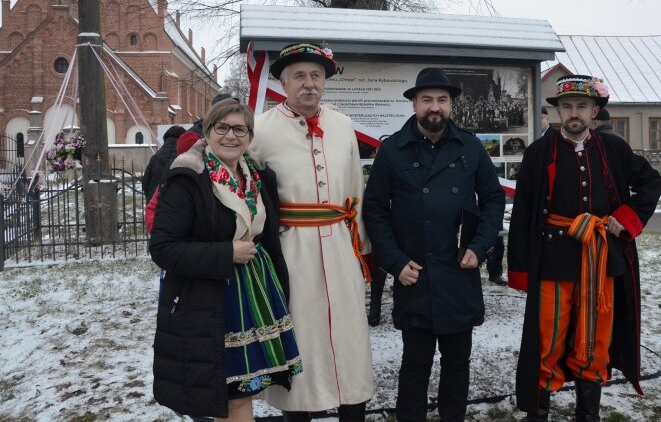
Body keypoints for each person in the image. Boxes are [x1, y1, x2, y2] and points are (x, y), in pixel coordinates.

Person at [507, 75, 661, 421]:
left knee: (595, 339)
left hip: (601, 259)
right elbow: (523, 213)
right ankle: (540, 409)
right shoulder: (537, 153)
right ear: (559, 111)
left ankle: (588, 412)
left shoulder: (614, 149)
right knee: (548, 336)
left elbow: (651, 182)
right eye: (567, 107)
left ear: (594, 111)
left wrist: (627, 217)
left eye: (581, 106)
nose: (574, 113)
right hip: (553, 260)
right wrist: (519, 269)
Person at [363, 68, 505, 422]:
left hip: (460, 271)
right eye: (427, 99)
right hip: (415, 275)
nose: (435, 107)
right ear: (414, 103)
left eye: (442, 100)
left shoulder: (471, 147)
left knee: (458, 362)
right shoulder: (392, 150)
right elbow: (375, 211)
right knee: (415, 364)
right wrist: (395, 262)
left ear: (452, 105)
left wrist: (481, 245)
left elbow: (492, 199)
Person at [149, 99, 301, 421]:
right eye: (222, 128)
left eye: (240, 129)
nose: (231, 136)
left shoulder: (256, 176)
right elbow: (163, 248)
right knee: (230, 395)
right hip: (212, 301)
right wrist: (226, 252)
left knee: (240, 393)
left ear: (249, 135)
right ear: (208, 131)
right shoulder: (188, 177)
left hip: (257, 294)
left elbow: (267, 236)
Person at [249, 42, 373, 420]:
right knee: (301, 336)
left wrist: (362, 248)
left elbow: (356, 190)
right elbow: (248, 189)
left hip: (339, 246)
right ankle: (297, 412)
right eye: (299, 76)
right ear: (283, 83)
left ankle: (353, 408)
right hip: (291, 250)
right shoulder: (261, 128)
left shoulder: (342, 124)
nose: (309, 83)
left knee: (350, 337)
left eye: (316, 76)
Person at [141, 125, 185, 203]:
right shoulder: (186, 158)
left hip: (156, 205)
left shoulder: (155, 158)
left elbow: (145, 183)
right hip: (179, 205)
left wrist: (150, 198)